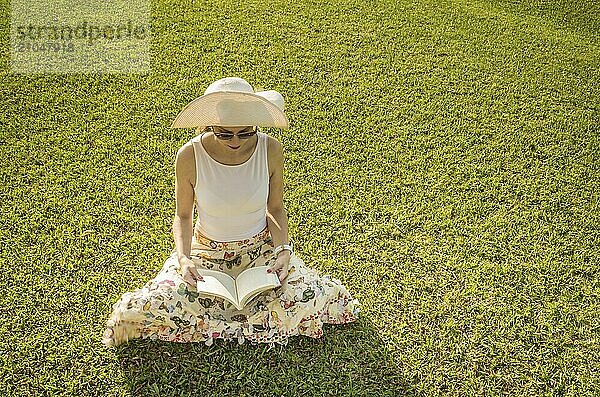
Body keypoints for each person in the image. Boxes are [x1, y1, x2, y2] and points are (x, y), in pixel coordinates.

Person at [101, 77, 361, 349]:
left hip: (260, 250)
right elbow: (184, 216)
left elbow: (275, 208)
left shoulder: (270, 148)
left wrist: (283, 250)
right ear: (210, 125)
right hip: (206, 253)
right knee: (151, 302)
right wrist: (184, 258)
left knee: (313, 294)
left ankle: (224, 318)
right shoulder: (189, 155)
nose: (235, 141)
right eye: (224, 134)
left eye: (245, 133)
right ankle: (249, 319)